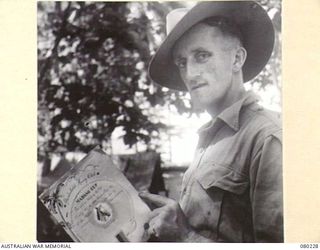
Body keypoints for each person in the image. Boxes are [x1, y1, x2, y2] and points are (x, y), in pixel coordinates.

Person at [139, 1, 283, 243]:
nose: (190, 73)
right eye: (182, 62)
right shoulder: (210, 138)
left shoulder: (267, 137)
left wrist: (184, 236)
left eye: (202, 56)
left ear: (237, 59)